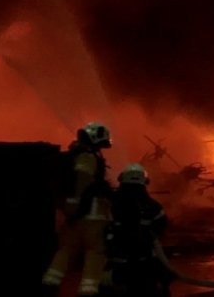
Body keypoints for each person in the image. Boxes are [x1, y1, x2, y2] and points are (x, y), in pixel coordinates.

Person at [41, 121, 114, 296]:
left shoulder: (75, 154)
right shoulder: (87, 157)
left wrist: (70, 210)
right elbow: (83, 181)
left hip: (75, 218)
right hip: (92, 216)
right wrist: (79, 206)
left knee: (66, 251)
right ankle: (87, 292)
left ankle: (49, 284)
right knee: (94, 254)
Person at [105, 163, 171, 296]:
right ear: (144, 182)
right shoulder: (152, 206)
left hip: (116, 264)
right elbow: (161, 226)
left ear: (122, 180)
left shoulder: (110, 203)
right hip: (144, 265)